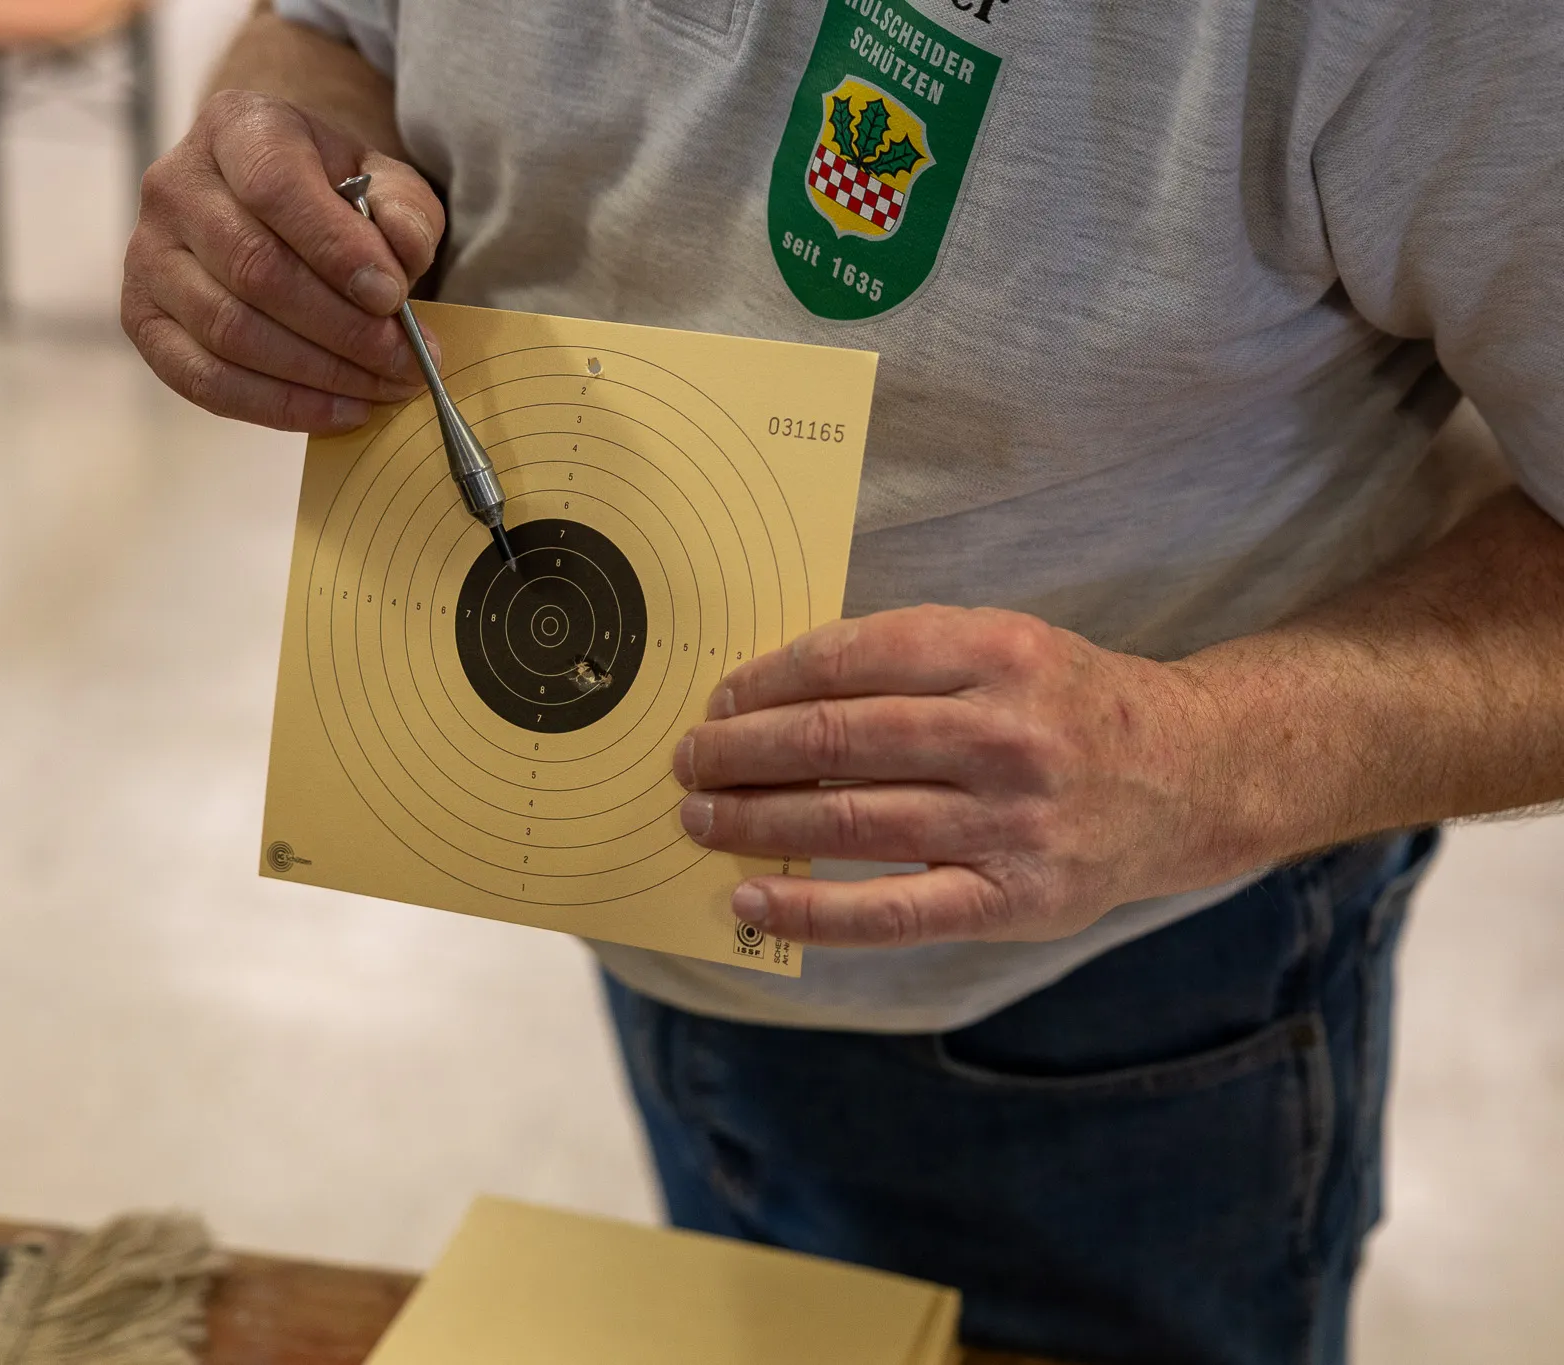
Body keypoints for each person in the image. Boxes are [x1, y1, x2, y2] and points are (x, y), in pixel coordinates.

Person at [121, 3, 1564, 1361]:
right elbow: (331, 30)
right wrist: (274, 180)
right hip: (640, 906)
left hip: (1129, 1011)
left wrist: (1205, 757)